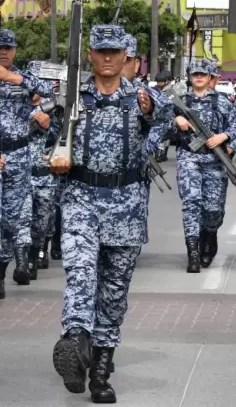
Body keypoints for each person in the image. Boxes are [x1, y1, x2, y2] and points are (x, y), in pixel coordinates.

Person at [47, 25, 167, 403]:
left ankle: (100, 367)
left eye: (116, 52)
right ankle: (76, 341)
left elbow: (162, 125)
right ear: (91, 55)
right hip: (81, 196)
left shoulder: (143, 97)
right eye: (101, 51)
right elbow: (45, 137)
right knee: (81, 273)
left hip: (127, 203)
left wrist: (151, 112)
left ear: (127, 57)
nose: (108, 58)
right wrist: (54, 155)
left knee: (114, 293)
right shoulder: (71, 96)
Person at [0, 29, 54, 297]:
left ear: (15, 51)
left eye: (8, 47)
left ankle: (4, 270)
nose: (3, 51)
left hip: (20, 155)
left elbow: (50, 91)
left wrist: (14, 78)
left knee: (14, 218)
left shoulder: (25, 80)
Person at [167, 59, 236, 273]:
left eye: (203, 74)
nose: (199, 77)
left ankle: (209, 237)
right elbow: (161, 131)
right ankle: (193, 253)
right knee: (191, 204)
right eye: (195, 74)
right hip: (188, 157)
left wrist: (224, 138)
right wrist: (175, 122)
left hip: (214, 160)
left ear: (210, 78)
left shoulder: (222, 102)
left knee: (212, 209)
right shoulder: (178, 102)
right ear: (190, 77)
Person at [25, 60, 62, 277]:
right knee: (21, 220)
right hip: (22, 174)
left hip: (45, 174)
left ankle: (41, 248)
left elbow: (62, 137)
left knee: (43, 220)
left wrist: (48, 127)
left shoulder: (53, 108)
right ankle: (27, 259)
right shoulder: (17, 105)